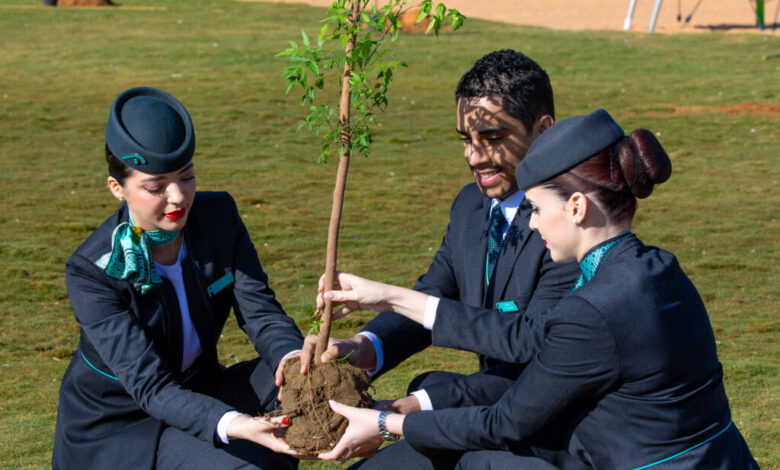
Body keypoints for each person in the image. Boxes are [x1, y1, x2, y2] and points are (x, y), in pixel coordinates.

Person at [314, 109, 759, 469]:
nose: (530, 222)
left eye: (536, 207)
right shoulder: (657, 267)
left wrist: (390, 425)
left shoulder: (595, 308)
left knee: (479, 460)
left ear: (578, 207)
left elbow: (507, 423)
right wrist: (390, 297)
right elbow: (533, 337)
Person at [300, 48, 579, 424]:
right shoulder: (470, 208)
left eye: (493, 137)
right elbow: (434, 296)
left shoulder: (572, 224)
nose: (474, 157)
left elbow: (536, 355)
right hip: (490, 412)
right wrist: (361, 347)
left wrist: (415, 408)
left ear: (544, 130)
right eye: (465, 139)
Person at [52, 87, 304, 470]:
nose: (177, 198)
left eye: (186, 177)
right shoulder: (91, 270)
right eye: (155, 187)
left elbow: (263, 316)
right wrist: (236, 424)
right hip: (124, 425)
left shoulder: (219, 216)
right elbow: (151, 387)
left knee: (306, 377)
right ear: (117, 188)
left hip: (201, 390)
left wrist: (295, 359)